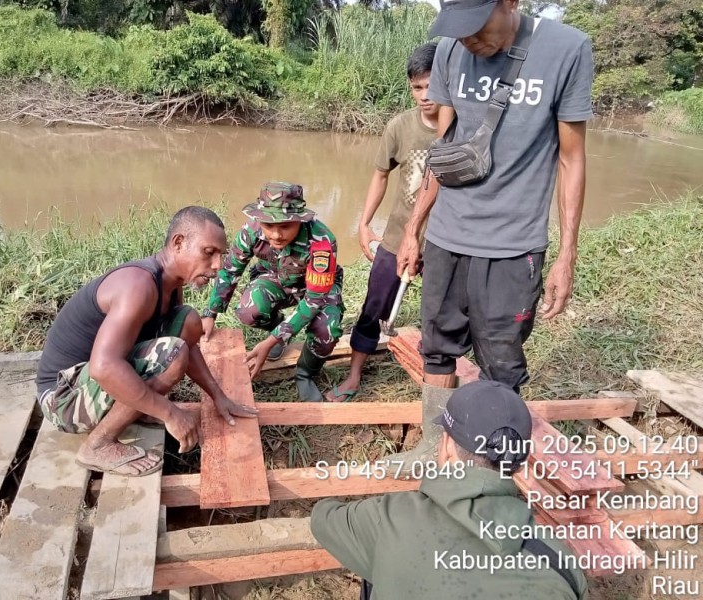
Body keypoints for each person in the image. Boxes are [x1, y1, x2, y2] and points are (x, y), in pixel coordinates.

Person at [393, 0, 594, 465]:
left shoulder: (566, 49)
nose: (468, 40)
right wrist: (414, 229)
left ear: (510, 3)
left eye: (477, 27)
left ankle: (486, 467)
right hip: (447, 237)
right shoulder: (450, 51)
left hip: (512, 245)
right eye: (458, 29)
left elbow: (572, 158)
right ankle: (433, 448)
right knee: (437, 349)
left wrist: (567, 255)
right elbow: (445, 151)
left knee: (501, 363)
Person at [311, 380, 588, 600]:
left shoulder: (390, 518)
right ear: (519, 463)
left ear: (446, 447)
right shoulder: (562, 568)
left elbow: (323, 518)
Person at [35, 207, 258, 477]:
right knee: (171, 354)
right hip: (62, 399)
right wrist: (170, 413)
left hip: (87, 384)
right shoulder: (138, 286)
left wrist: (218, 396)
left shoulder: (169, 284)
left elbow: (189, 344)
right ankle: (98, 445)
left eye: (220, 255)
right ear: (178, 243)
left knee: (188, 321)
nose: (217, 265)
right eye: (209, 252)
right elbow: (103, 367)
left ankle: (135, 410)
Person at [326, 42, 452, 403]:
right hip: (398, 236)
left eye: (431, 86)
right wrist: (364, 223)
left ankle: (436, 384)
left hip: (445, 240)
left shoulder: (460, 127)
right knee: (374, 305)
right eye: (417, 87)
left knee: (442, 313)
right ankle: (354, 375)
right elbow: (380, 175)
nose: (424, 96)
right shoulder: (401, 127)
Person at [201, 182, 344, 402]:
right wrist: (210, 313)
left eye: (285, 226)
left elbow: (314, 299)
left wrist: (271, 341)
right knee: (248, 310)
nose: (276, 234)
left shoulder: (321, 241)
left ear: (300, 219)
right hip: (276, 278)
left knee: (327, 330)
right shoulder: (250, 231)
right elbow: (230, 271)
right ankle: (279, 325)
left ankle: (305, 374)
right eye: (268, 225)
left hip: (316, 289)